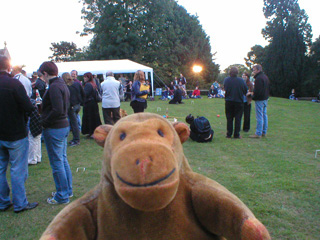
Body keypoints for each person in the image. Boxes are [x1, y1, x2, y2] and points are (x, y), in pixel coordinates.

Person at [0, 55, 38, 213]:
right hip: (15, 133)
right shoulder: (14, 84)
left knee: (1, 169)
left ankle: (3, 202)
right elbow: (28, 107)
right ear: (9, 67)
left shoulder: (13, 84)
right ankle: (20, 203)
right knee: (17, 169)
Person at [39, 61, 73, 204]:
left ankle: (62, 195)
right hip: (62, 126)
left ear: (45, 73)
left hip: (55, 128)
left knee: (57, 162)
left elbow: (57, 110)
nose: (41, 78)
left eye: (41, 75)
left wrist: (44, 122)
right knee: (62, 159)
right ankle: (67, 190)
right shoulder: (61, 84)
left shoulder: (54, 87)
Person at [223, 67, 248, 139]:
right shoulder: (241, 80)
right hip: (239, 102)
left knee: (229, 118)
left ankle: (229, 134)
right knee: (238, 118)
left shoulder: (226, 80)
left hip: (229, 101)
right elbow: (245, 90)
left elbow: (225, 88)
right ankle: (236, 134)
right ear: (237, 72)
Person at [62, 72, 84, 147]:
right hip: (77, 104)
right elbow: (82, 93)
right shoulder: (77, 84)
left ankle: (76, 139)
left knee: (74, 123)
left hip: (71, 106)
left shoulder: (66, 86)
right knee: (74, 122)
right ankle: (75, 138)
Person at [249, 64, 270, 138]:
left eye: (254, 70)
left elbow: (257, 91)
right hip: (265, 98)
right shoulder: (265, 77)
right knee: (264, 115)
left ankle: (258, 133)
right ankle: (264, 131)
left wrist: (252, 96)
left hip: (260, 99)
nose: (253, 72)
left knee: (259, 116)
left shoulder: (258, 79)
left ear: (258, 70)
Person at [82, 72, 102, 138]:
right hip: (93, 103)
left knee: (90, 119)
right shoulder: (93, 84)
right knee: (94, 118)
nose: (84, 78)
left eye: (85, 77)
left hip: (89, 104)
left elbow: (85, 94)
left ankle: (92, 132)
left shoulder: (88, 85)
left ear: (88, 77)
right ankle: (94, 132)